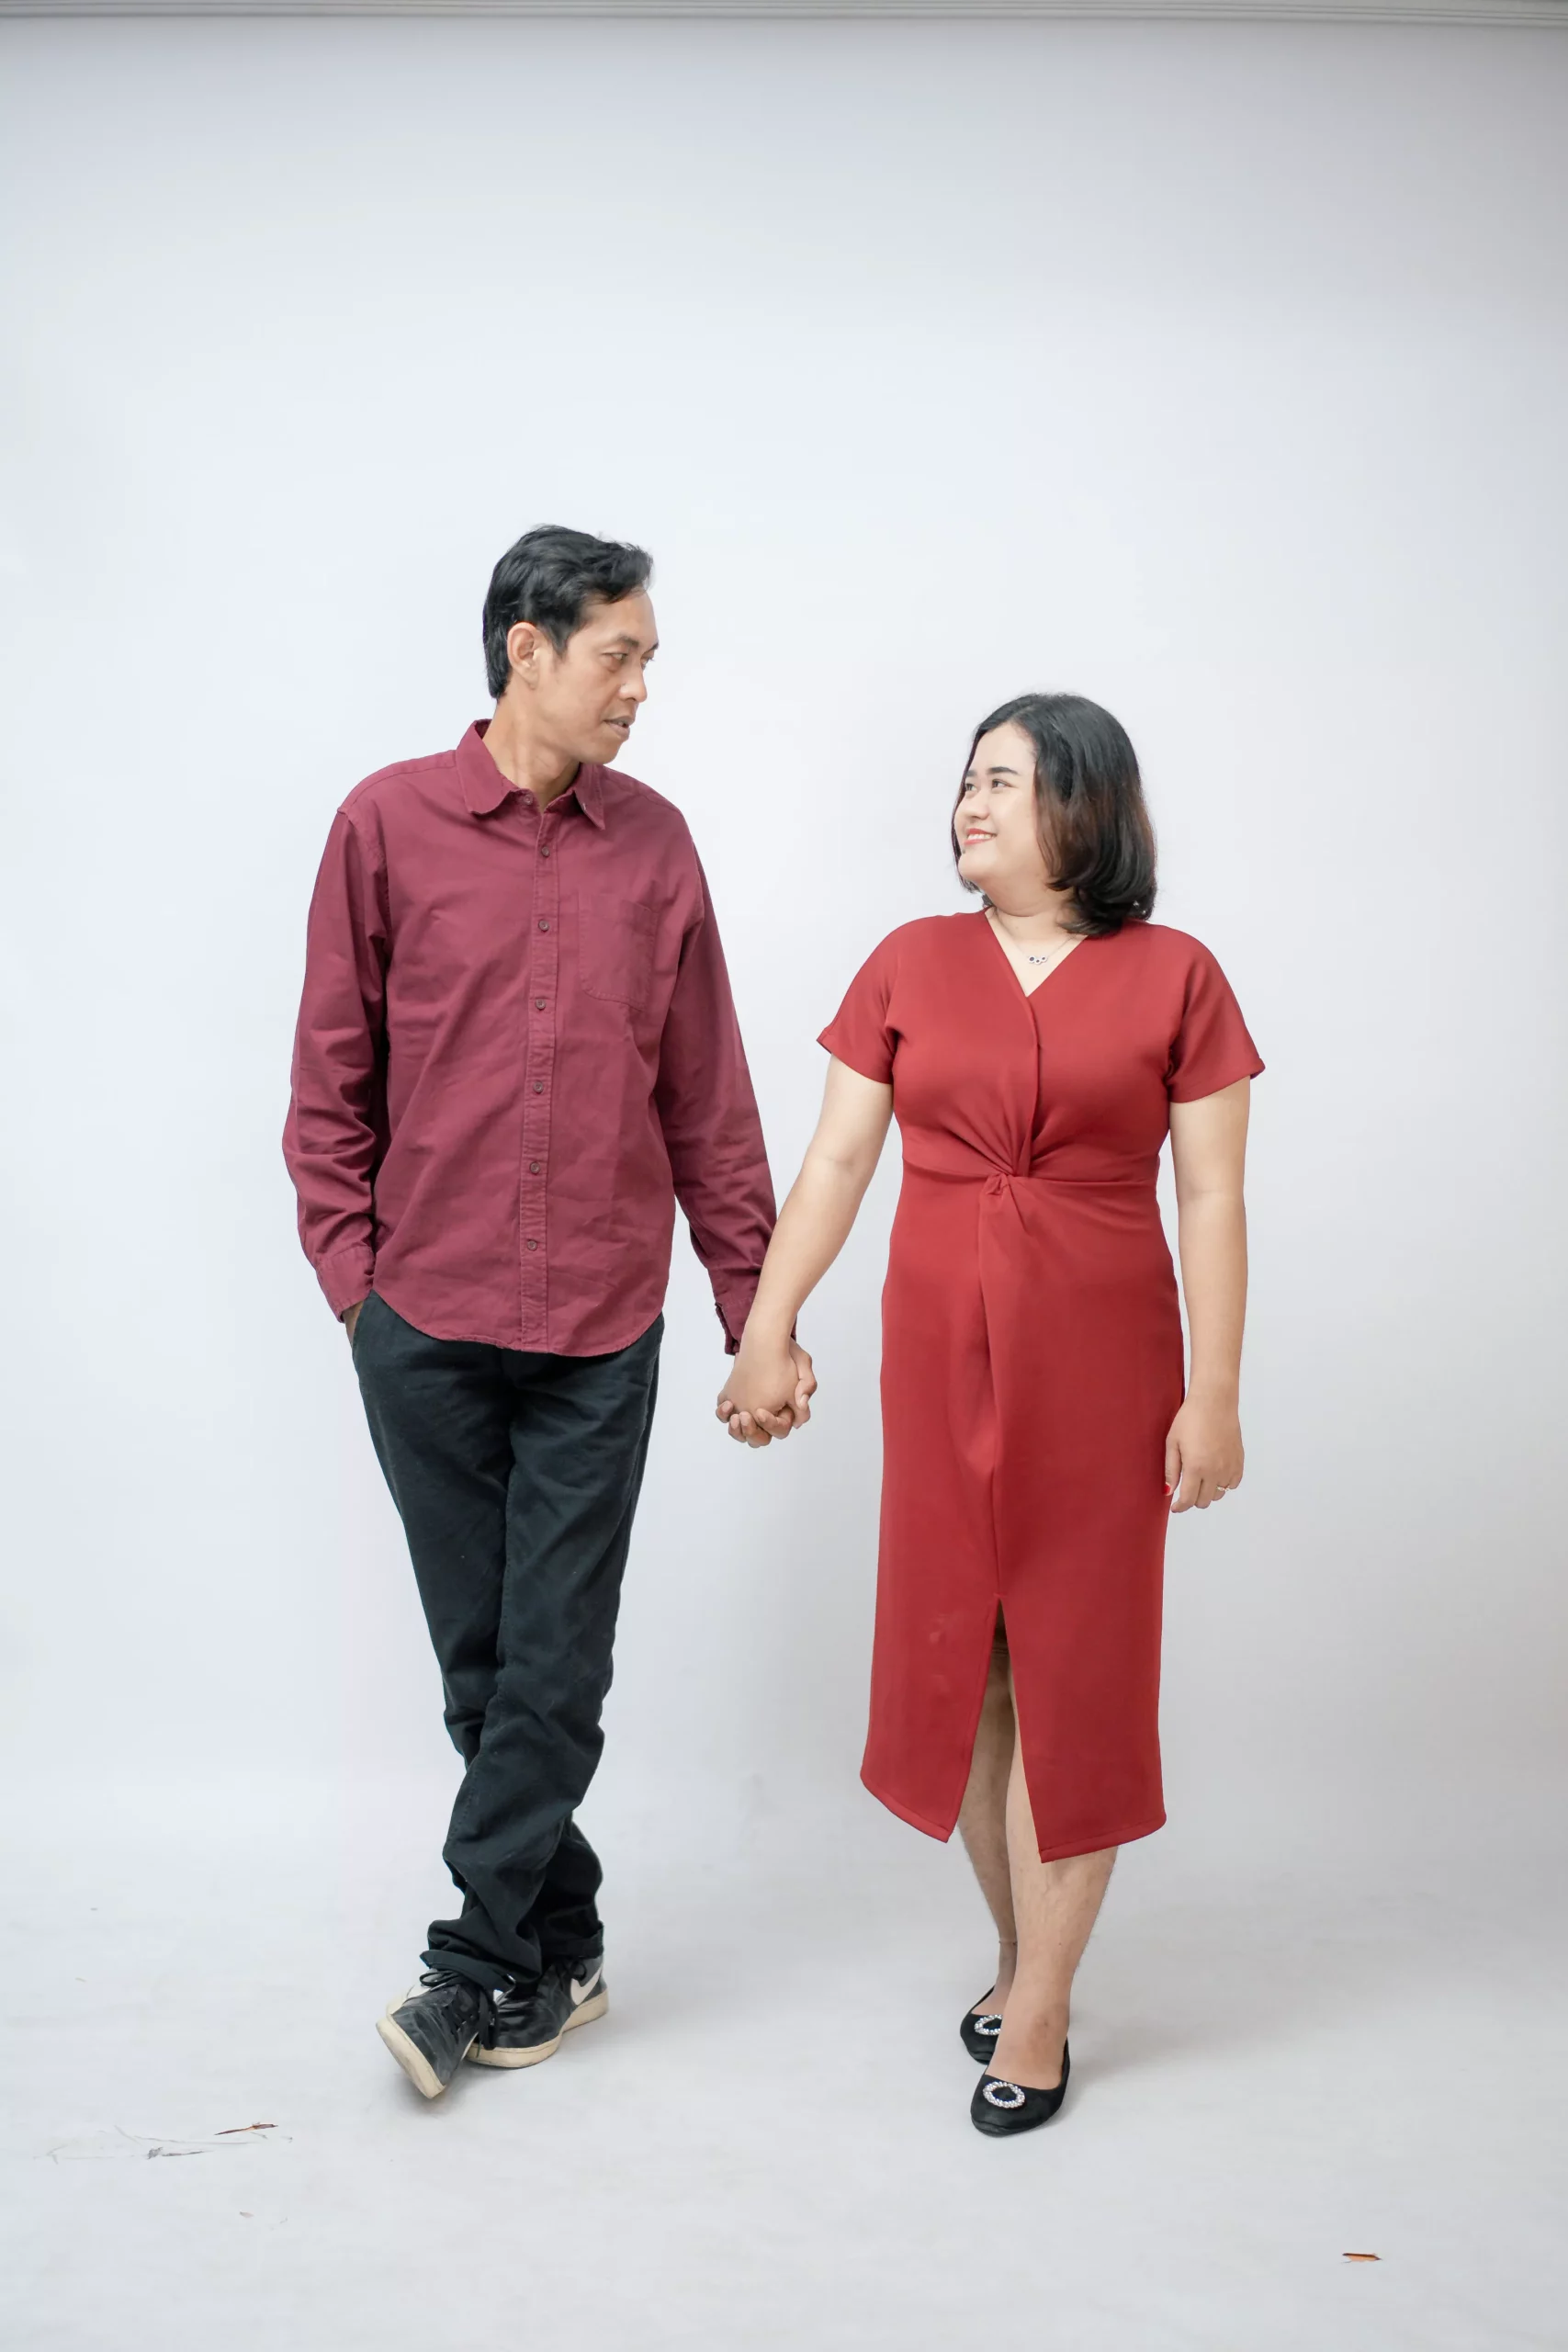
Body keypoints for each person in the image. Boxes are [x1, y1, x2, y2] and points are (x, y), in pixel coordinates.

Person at [283, 525, 813, 2099]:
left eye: (647, 658)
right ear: (527, 647)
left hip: (597, 1327)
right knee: (482, 1671)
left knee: (554, 1668)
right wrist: (356, 1286)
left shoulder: (657, 848)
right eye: (618, 655)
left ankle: (469, 1967)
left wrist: (754, 1310)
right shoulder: (383, 824)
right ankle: (562, 1945)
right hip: (424, 1322)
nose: (641, 687)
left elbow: (707, 1098)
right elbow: (329, 1077)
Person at [717, 693, 1263, 2137]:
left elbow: (1211, 1194)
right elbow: (836, 1164)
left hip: (1103, 1362)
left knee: (1076, 1674)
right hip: (937, 1357)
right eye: (965, 780)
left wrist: (1212, 1393)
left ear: (1083, 805)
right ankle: (1025, 1956)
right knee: (965, 1667)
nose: (968, 803)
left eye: (1002, 782)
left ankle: (1039, 2010)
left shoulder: (1177, 975)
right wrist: (767, 1328)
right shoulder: (907, 960)